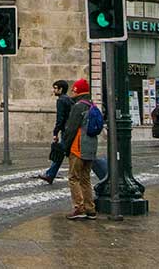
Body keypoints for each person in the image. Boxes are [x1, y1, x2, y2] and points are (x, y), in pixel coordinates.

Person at [61, 78, 99, 221]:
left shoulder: (78, 107)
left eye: (74, 90)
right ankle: (90, 208)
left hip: (78, 146)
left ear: (77, 91)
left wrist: (65, 146)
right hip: (91, 147)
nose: (72, 92)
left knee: (73, 177)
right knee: (85, 178)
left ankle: (79, 207)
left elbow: (71, 129)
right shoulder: (92, 105)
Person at [36, 80, 73, 185]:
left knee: (60, 152)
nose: (53, 90)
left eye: (55, 88)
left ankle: (50, 175)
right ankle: (50, 174)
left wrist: (55, 132)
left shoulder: (61, 100)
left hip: (66, 131)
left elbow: (60, 118)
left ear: (61, 89)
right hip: (70, 129)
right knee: (61, 153)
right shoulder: (69, 100)